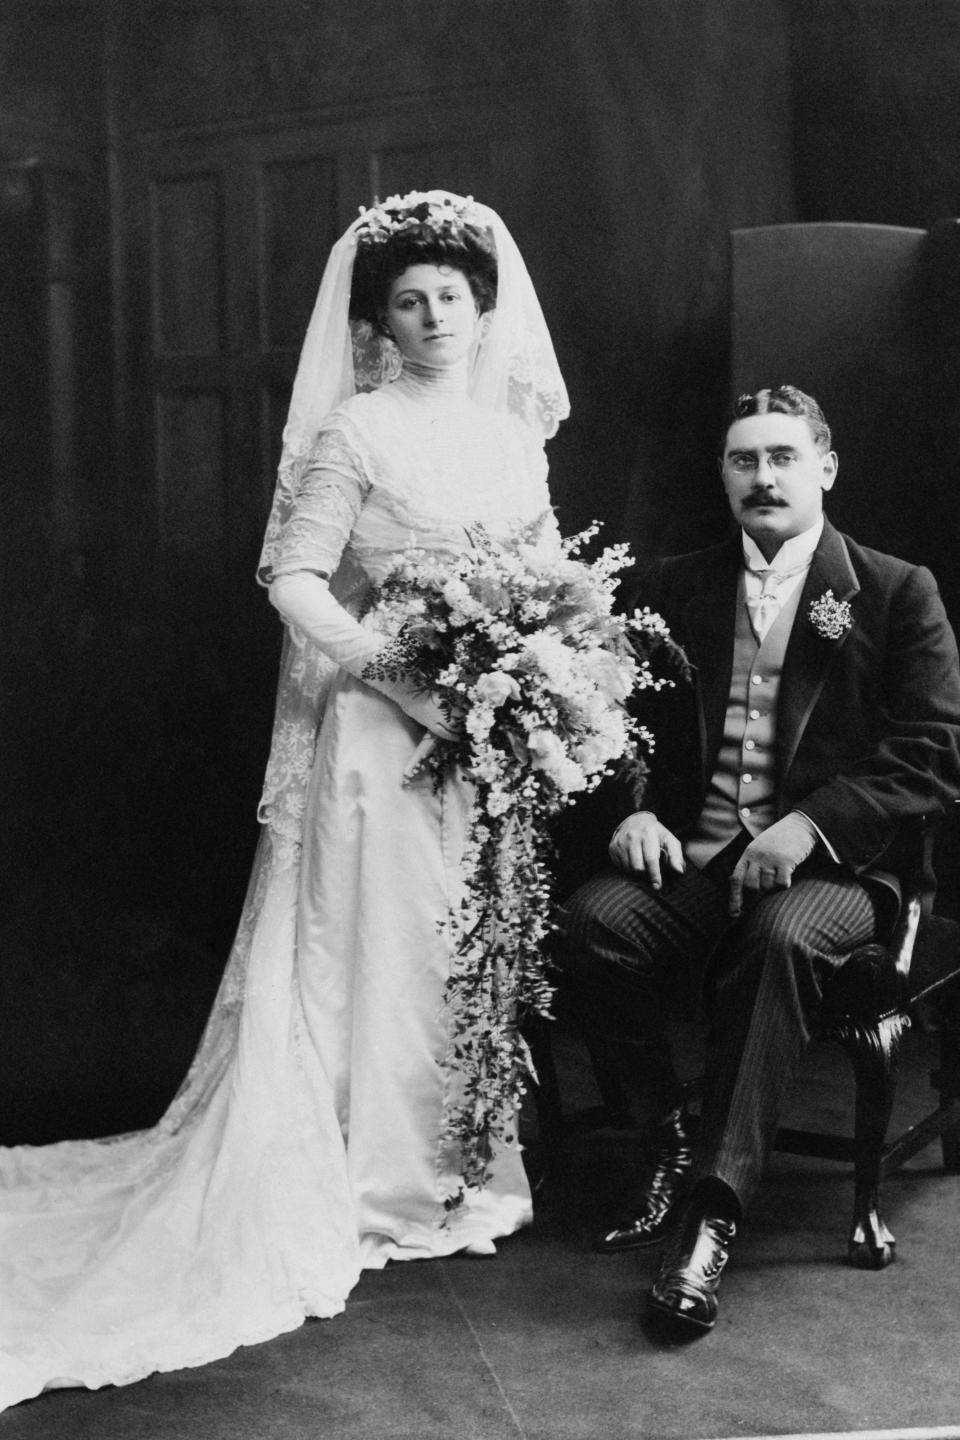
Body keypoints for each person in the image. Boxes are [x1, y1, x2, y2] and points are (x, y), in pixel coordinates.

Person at [0, 190, 569, 1408]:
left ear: (482, 311)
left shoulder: (514, 437)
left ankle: (455, 1170)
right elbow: (294, 578)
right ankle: (367, 1176)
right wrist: (406, 677)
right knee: (376, 943)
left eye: (450, 299)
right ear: (381, 323)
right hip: (378, 732)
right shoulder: (357, 431)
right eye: (409, 303)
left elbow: (548, 573)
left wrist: (537, 672)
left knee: (459, 945)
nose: (433, 319)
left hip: (483, 735)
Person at [560, 385, 960, 1336]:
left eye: (783, 457)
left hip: (836, 878)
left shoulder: (896, 591)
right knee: (591, 924)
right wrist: (634, 809)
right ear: (725, 476)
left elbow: (936, 749)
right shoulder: (674, 584)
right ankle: (664, 1132)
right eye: (745, 460)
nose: (763, 476)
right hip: (696, 860)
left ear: (825, 467)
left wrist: (810, 826)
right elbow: (608, 717)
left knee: (779, 939)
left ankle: (710, 1215)